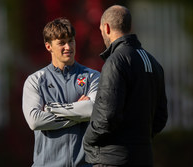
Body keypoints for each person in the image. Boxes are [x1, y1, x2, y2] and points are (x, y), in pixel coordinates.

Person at [83, 5, 168, 167]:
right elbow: (161, 117)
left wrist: (88, 139)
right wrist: (139, 140)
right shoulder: (153, 62)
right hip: (144, 157)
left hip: (113, 160)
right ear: (130, 27)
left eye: (101, 30)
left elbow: (107, 116)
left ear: (106, 28)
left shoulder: (115, 61)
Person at [22, 18, 100, 167]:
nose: (68, 47)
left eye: (71, 41)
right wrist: (78, 112)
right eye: (61, 43)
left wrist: (53, 110)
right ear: (48, 46)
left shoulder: (92, 76)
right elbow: (35, 121)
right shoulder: (35, 80)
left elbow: (93, 110)